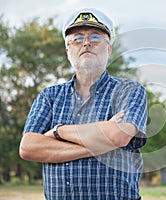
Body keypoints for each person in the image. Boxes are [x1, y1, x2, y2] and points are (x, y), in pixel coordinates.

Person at [19, 8, 147, 200]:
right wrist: (98, 145)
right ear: (68, 50)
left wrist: (58, 132)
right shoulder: (49, 96)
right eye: (77, 38)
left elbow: (119, 136)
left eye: (95, 37)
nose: (86, 43)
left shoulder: (128, 91)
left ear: (109, 48)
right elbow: (28, 147)